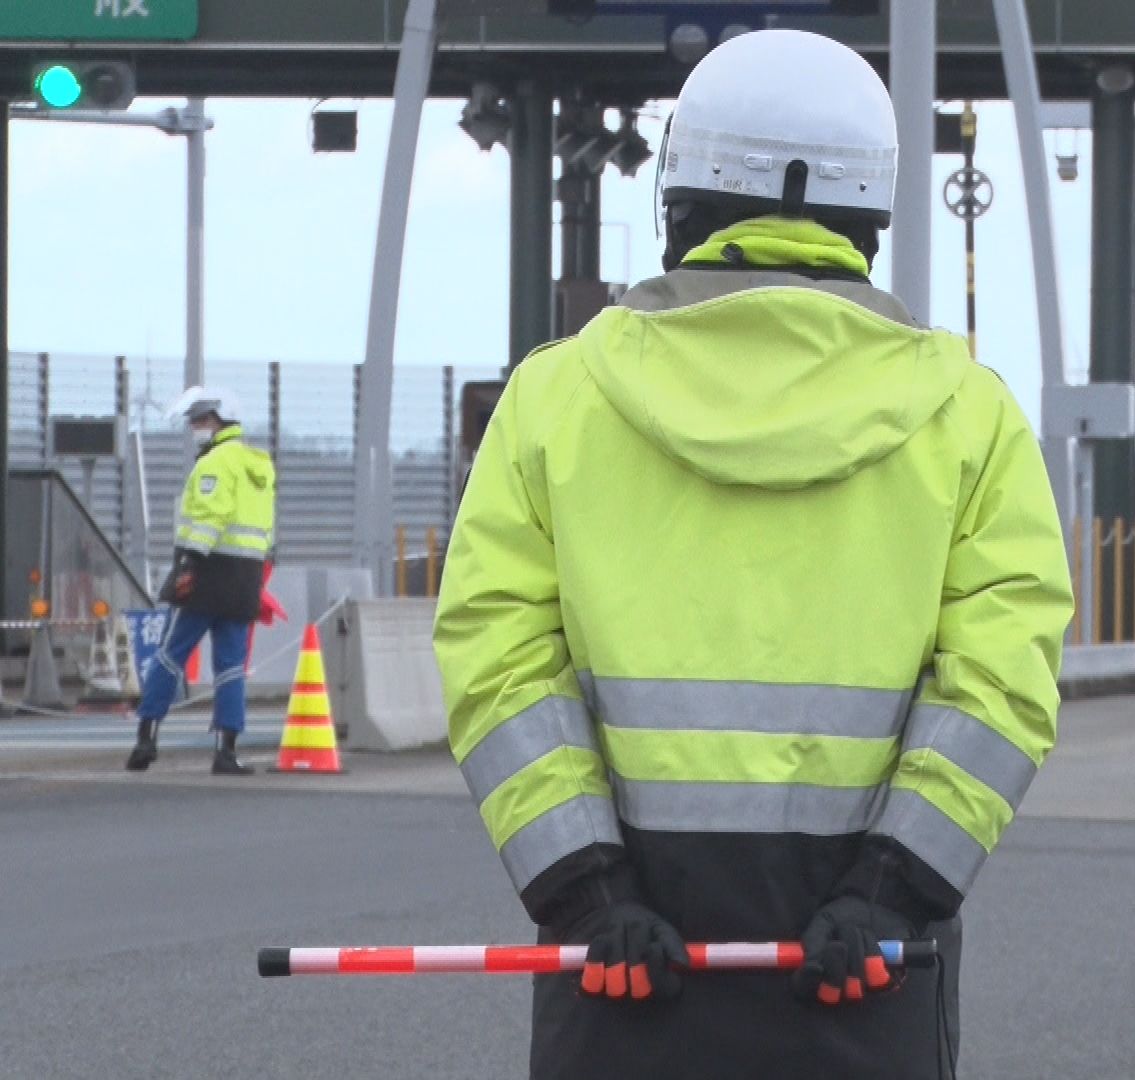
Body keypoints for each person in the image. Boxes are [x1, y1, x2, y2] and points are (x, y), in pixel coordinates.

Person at [433, 28, 1074, 1080]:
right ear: (872, 214)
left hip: (624, 968)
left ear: (677, 203)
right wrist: (890, 893)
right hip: (859, 968)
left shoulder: (557, 398)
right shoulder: (969, 416)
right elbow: (1000, 692)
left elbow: (497, 664)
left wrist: (586, 896)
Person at [126, 387, 278, 776]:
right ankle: (226, 751)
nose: (195, 427)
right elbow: (266, 531)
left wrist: (189, 564)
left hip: (207, 573)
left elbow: (210, 517)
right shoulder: (257, 465)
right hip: (244, 578)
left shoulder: (215, 464)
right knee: (230, 666)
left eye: (201, 419)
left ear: (220, 421)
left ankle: (147, 737)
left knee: (170, 654)